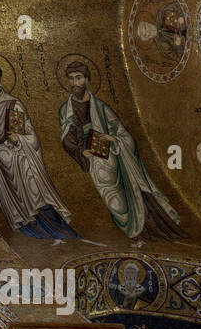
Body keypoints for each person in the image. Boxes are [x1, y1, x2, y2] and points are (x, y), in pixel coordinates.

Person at [59, 60, 186, 246]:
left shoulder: (101, 107)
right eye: (71, 79)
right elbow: (65, 138)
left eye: (78, 78)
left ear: (87, 79)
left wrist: (113, 140)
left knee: (129, 193)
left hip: (111, 155)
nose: (75, 83)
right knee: (114, 201)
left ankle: (145, 232)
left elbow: (122, 133)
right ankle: (133, 233)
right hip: (93, 160)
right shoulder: (65, 109)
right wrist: (81, 151)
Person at [0, 62, 85, 244]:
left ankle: (62, 233)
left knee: (34, 193)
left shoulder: (12, 103)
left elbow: (25, 132)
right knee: (16, 202)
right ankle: (35, 234)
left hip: (18, 157)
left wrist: (17, 139)